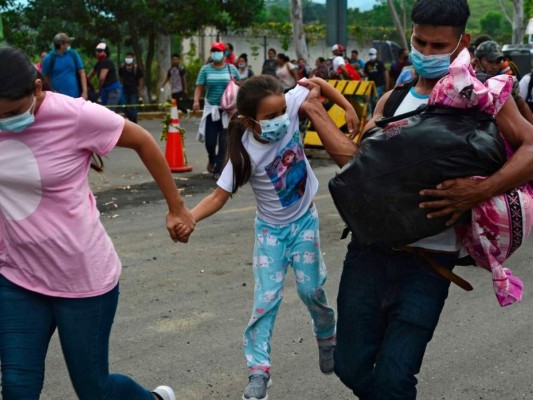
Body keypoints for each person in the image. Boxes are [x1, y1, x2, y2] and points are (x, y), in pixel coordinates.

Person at [295, 1, 533, 398]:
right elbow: (360, 165)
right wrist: (317, 111)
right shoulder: (393, 99)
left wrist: (480, 190)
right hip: (368, 254)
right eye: (420, 42)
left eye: (439, 46)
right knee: (350, 364)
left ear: (463, 42)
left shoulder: (484, 96)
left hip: (429, 265)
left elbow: (531, 148)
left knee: (395, 378)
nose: (427, 52)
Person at [0, 46, 195, 400]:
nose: (5, 123)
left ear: (38, 88)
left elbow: (143, 140)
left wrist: (177, 208)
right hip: (17, 277)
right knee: (17, 387)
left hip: (81, 278)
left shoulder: (75, 116)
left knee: (94, 389)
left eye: (12, 112)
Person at [189, 75, 359, 400]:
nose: (281, 120)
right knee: (265, 300)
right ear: (248, 122)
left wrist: (347, 106)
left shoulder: (289, 105)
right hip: (270, 233)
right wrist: (189, 217)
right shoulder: (244, 154)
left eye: (283, 111)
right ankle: (258, 371)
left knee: (312, 290)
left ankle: (326, 334)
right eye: (270, 117)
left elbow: (317, 84)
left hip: (304, 222)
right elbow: (217, 197)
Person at [193, 42, 240, 179]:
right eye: (213, 51)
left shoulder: (231, 69)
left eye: (218, 51)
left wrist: (235, 84)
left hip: (228, 111)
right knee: (210, 140)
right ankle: (212, 159)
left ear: (224, 53)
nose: (215, 53)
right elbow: (199, 87)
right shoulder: (205, 69)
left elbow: (240, 85)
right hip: (211, 109)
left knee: (224, 141)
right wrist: (196, 101)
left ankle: (219, 169)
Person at [474, 40, 533, 124]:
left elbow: (522, 107)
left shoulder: (506, 83)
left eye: (498, 62)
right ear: (477, 61)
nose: (494, 67)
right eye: (490, 61)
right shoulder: (469, 81)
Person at [41, 32, 88, 99]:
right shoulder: (49, 58)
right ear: (61, 44)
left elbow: (82, 72)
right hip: (57, 98)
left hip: (75, 97)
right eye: (67, 42)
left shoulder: (73, 54)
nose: (69, 45)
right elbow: (44, 79)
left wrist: (85, 91)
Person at [87, 42, 122, 107]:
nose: (98, 53)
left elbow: (102, 78)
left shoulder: (107, 62)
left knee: (109, 110)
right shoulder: (98, 63)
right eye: (97, 51)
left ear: (106, 52)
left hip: (113, 90)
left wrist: (98, 89)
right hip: (105, 90)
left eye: (100, 51)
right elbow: (90, 75)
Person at [119, 51, 144, 123]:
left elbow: (140, 80)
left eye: (130, 57)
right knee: (124, 106)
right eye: (127, 57)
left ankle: (134, 122)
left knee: (133, 107)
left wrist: (140, 91)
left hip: (133, 91)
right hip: (124, 90)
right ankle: (129, 119)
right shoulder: (122, 68)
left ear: (133, 58)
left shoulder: (136, 69)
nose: (128, 59)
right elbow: (120, 78)